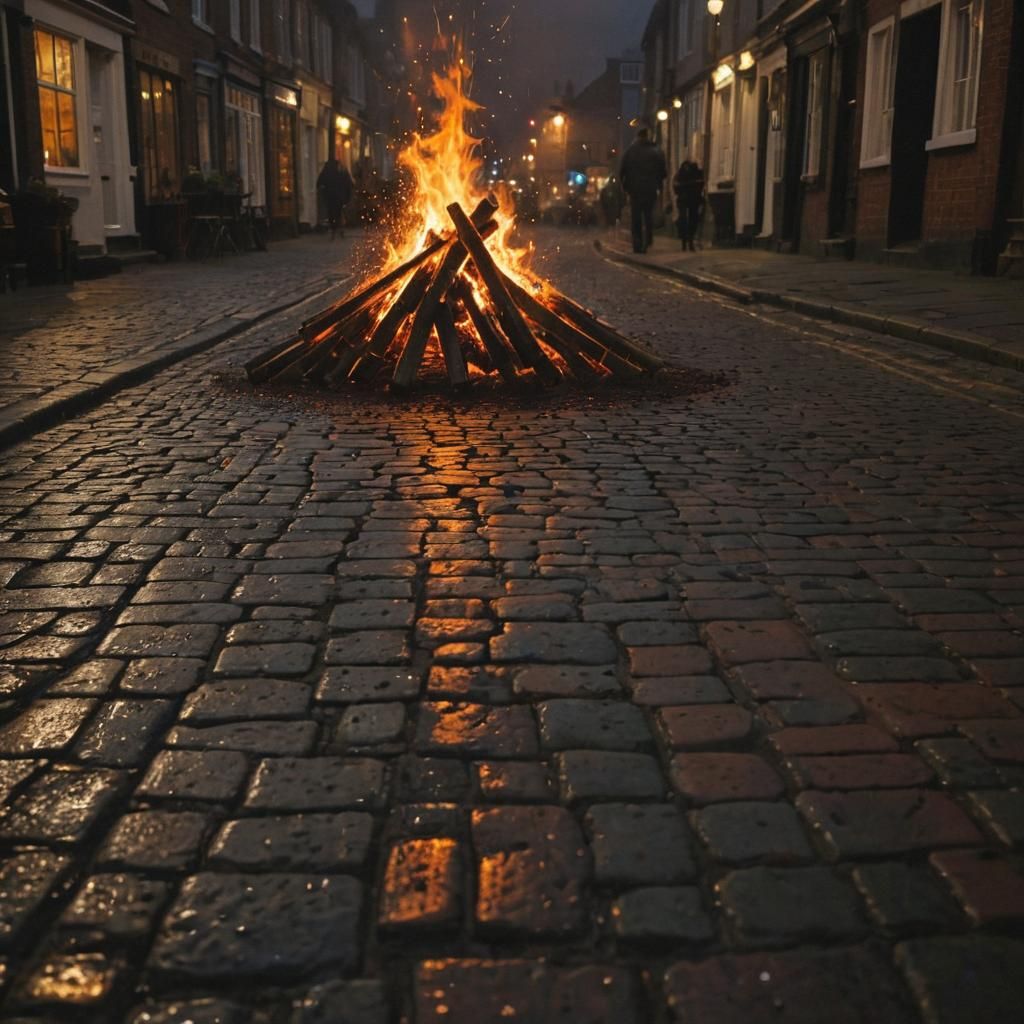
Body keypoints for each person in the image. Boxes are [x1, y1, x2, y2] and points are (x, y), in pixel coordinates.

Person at [619, 127, 667, 253]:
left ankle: (637, 243)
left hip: (635, 189)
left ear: (637, 137)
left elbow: (622, 171)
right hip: (650, 188)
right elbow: (663, 171)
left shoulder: (630, 151)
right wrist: (657, 184)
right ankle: (648, 239)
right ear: (647, 136)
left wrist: (625, 188)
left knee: (636, 217)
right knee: (648, 215)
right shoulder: (655, 151)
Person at [317, 157, 353, 240]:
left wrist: (323, 190)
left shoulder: (326, 173)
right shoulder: (342, 173)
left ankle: (334, 229)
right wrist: (347, 197)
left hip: (330, 198)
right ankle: (339, 229)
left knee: (332, 214)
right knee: (339, 213)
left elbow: (319, 183)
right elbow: (349, 185)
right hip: (339, 198)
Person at [673, 159, 704, 252]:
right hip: (691, 199)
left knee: (688, 220)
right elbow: (700, 185)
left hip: (689, 199)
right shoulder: (695, 173)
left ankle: (687, 241)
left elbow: (676, 188)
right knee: (689, 220)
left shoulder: (681, 173)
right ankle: (687, 241)